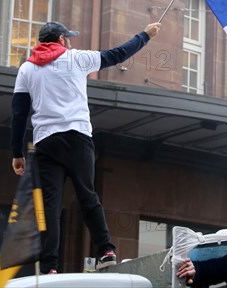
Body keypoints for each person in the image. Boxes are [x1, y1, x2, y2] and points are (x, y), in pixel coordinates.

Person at [10, 21, 161, 274]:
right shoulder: (76, 59)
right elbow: (116, 55)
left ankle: (49, 267)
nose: (70, 42)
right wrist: (145, 36)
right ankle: (106, 249)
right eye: (68, 38)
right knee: (87, 196)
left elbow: (18, 113)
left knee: (50, 206)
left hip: (46, 142)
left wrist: (16, 153)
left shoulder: (27, 69)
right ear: (60, 39)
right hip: (77, 138)